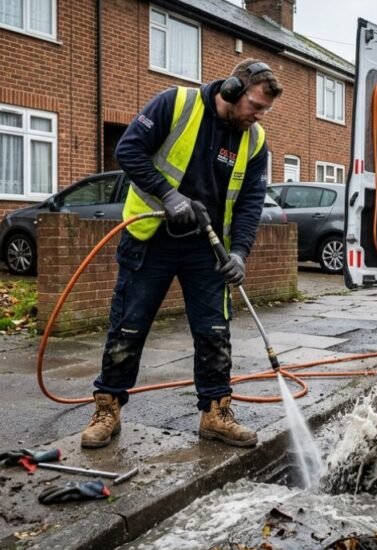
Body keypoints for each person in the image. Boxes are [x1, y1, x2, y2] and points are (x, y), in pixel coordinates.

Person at [80, 59, 283, 449]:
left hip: (207, 248)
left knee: (214, 332)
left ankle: (216, 413)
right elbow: (129, 150)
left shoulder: (254, 141)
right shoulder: (176, 104)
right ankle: (108, 409)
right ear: (232, 90)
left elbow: (250, 203)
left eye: (265, 110)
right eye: (255, 106)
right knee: (128, 326)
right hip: (151, 237)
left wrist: (240, 253)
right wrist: (168, 195)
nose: (258, 116)